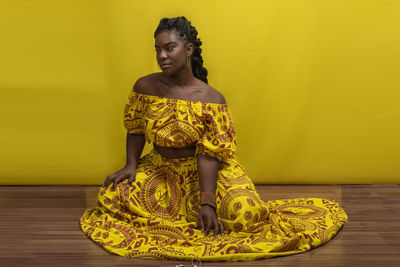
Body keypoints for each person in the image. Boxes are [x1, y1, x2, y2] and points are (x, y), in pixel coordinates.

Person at [80, 16, 347, 261]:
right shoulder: (145, 87)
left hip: (208, 172)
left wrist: (207, 202)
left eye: (169, 48)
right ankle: (173, 212)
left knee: (246, 215)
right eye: (157, 50)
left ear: (188, 49)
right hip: (160, 170)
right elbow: (136, 127)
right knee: (111, 196)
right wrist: (131, 165)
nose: (162, 56)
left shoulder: (211, 100)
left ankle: (197, 211)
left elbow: (208, 155)